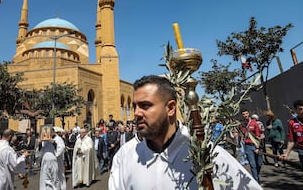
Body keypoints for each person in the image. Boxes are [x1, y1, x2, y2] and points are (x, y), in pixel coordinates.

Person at [109, 75, 262, 189]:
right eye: (135, 106)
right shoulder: (124, 157)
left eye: (145, 105)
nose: (136, 113)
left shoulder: (208, 155)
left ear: (170, 108)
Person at [239, 109, 263, 183]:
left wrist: (257, 147)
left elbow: (258, 135)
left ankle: (256, 175)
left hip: (256, 145)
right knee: (253, 165)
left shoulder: (254, 123)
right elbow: (240, 134)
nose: (245, 115)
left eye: (246, 113)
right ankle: (256, 180)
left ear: (249, 113)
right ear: (242, 115)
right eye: (243, 114)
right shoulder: (241, 125)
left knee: (259, 163)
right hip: (248, 146)